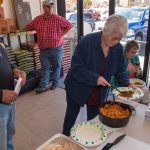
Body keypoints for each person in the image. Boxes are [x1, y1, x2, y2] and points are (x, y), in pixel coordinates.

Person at [62, 14, 130, 136]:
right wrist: (95, 78)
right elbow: (76, 68)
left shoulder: (118, 48)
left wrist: (128, 87)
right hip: (77, 86)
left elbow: (121, 69)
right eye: (114, 38)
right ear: (105, 31)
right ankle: (65, 138)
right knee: (71, 117)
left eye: (119, 39)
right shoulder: (87, 42)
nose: (116, 42)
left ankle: (89, 140)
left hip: (98, 92)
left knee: (94, 121)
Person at [21, 0, 73, 94]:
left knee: (56, 66)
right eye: (48, 6)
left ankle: (55, 82)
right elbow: (29, 26)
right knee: (45, 68)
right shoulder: (38, 19)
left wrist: (62, 34)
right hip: (43, 49)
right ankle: (43, 85)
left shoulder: (57, 18)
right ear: (43, 7)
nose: (50, 8)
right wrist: (20, 30)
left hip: (56, 48)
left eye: (51, 6)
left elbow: (69, 25)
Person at [0, 43, 26, 150]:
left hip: (9, 103)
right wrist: (0, 95)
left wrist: (14, 69)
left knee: (7, 138)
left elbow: (5, 62)